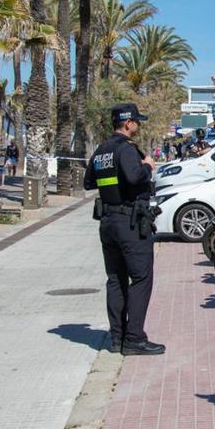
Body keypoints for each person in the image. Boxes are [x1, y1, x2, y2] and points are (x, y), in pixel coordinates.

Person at [84, 103, 164, 356]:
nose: (138, 126)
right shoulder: (126, 149)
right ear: (128, 123)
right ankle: (134, 338)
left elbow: (89, 182)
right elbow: (133, 177)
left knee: (116, 280)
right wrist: (148, 166)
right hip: (129, 222)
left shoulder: (102, 150)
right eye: (136, 122)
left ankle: (117, 337)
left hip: (108, 221)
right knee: (140, 278)